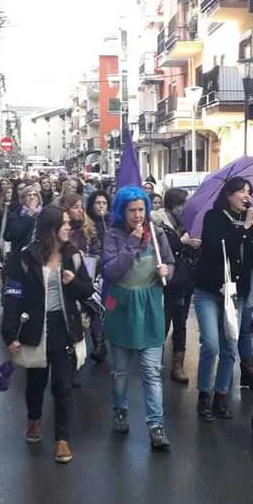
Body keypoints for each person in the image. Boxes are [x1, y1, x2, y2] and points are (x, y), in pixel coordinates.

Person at [1, 206, 96, 464]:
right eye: (63, 223)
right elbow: (12, 295)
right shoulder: (25, 258)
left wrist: (72, 282)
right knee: (36, 382)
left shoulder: (74, 256)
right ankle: (34, 419)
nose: (68, 227)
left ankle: (62, 439)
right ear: (49, 228)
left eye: (68, 223)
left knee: (63, 385)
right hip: (35, 328)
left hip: (64, 328)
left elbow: (87, 291)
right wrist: (9, 333)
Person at [101, 186, 175, 451]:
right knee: (120, 371)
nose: (138, 215)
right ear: (122, 211)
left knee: (152, 373)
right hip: (121, 308)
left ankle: (156, 426)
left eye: (141, 209)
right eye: (132, 210)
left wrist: (167, 271)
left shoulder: (157, 233)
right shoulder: (112, 236)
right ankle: (120, 410)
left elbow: (170, 264)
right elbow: (111, 271)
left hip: (151, 308)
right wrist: (131, 244)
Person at [191, 177, 253, 421]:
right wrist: (245, 228)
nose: (246, 196)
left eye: (249, 192)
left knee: (230, 346)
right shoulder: (214, 217)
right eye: (241, 191)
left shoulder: (250, 222)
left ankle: (221, 396)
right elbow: (217, 248)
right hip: (209, 290)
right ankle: (204, 394)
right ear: (228, 194)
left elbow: (250, 261)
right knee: (211, 344)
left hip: (236, 293)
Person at [151, 188, 200, 384]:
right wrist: (181, 242)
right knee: (162, 323)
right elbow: (161, 251)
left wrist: (195, 245)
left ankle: (178, 365)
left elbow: (192, 252)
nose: (185, 208)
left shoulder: (188, 223)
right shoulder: (158, 224)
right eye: (182, 204)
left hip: (185, 281)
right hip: (165, 282)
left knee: (181, 323)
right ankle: (154, 363)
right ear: (173, 205)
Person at [59, 192, 107, 364]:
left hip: (89, 274)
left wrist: (89, 256)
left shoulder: (89, 227)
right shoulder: (62, 229)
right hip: (68, 276)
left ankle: (99, 344)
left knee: (94, 306)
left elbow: (98, 250)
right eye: (75, 207)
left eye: (81, 207)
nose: (80, 210)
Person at [84, 190, 112, 362]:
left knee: (110, 306)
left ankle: (110, 336)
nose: (101, 206)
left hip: (110, 274)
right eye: (97, 203)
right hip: (93, 272)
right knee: (95, 306)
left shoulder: (113, 223)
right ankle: (99, 344)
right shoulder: (86, 223)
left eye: (104, 203)